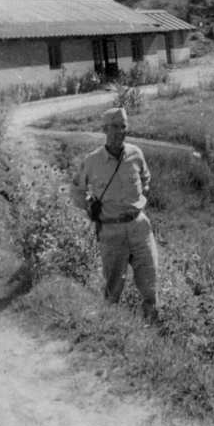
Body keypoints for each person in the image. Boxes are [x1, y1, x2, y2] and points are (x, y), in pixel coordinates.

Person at [70, 107, 159, 322]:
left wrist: (141, 198)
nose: (120, 132)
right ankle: (112, 331)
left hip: (139, 228)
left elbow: (146, 178)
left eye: (123, 127)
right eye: (115, 127)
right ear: (105, 129)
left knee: (150, 285)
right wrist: (90, 206)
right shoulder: (92, 162)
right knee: (113, 289)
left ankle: (152, 330)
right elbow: (76, 190)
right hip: (111, 232)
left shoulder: (136, 154)